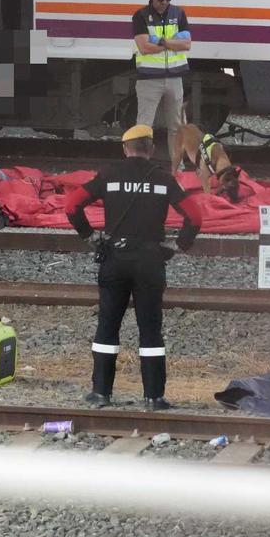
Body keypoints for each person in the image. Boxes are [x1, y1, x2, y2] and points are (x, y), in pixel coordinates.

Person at [64, 124, 204, 410]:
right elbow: (195, 215)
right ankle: (154, 397)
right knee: (150, 329)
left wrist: (89, 235)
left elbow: (71, 205)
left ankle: (101, 393)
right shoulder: (164, 179)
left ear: (125, 149)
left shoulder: (109, 175)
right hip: (150, 262)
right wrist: (180, 245)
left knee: (107, 326)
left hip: (115, 260)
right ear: (151, 149)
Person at [131, 0, 191, 166]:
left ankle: (177, 168)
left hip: (175, 78)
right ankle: (139, 166)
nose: (165, 2)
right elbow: (144, 48)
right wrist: (173, 43)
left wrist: (161, 41)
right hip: (149, 78)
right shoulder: (140, 15)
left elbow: (187, 45)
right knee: (144, 126)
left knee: (177, 127)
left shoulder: (179, 13)